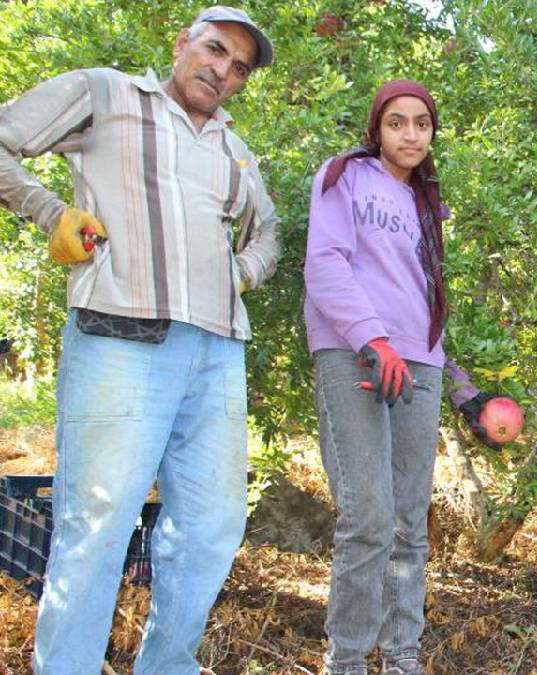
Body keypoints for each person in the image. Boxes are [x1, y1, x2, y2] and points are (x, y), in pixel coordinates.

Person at [0, 7, 279, 672]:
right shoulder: (106, 93)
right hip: (120, 338)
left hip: (216, 353)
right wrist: (50, 211)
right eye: (215, 49)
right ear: (183, 44)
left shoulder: (233, 148)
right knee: (96, 522)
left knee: (213, 528)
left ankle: (167, 665)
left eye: (239, 66)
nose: (223, 69)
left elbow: (267, 232)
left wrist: (239, 272)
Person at [303, 79, 498, 675]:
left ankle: (403, 654)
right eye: (397, 122)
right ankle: (348, 660)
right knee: (369, 517)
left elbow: (426, 301)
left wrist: (465, 390)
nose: (410, 133)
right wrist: (373, 339)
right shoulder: (344, 177)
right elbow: (325, 263)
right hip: (355, 354)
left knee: (411, 521)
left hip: (419, 364)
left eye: (421, 123)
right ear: (377, 128)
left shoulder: (429, 202)